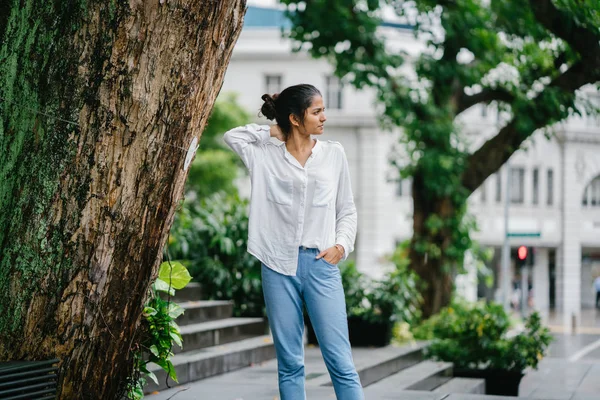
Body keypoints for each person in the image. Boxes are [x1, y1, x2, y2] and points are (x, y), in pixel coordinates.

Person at [223, 84, 363, 400]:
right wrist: (276, 131)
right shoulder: (262, 155)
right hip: (276, 265)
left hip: (320, 265)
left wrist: (341, 246)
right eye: (317, 112)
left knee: (340, 361)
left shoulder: (333, 155)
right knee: (289, 364)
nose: (324, 118)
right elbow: (233, 136)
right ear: (296, 118)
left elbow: (347, 210)